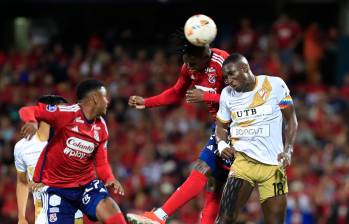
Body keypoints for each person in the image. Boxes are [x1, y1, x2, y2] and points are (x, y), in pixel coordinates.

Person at [127, 33, 230, 224]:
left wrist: (206, 97)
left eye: (192, 62)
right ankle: (160, 217)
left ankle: (160, 216)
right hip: (222, 126)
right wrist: (146, 102)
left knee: (206, 170)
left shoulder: (222, 61)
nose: (189, 67)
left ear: (205, 55)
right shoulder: (188, 67)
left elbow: (244, 97)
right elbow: (176, 93)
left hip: (240, 126)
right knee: (214, 184)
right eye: (186, 62)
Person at [18, 80, 127, 224]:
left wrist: (109, 178)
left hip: (86, 185)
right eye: (104, 97)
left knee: (109, 206)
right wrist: (32, 122)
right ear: (95, 98)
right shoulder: (66, 114)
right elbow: (28, 110)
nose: (107, 101)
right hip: (58, 189)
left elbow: (101, 163)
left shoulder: (101, 127)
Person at [214, 53, 298, 223]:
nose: (228, 80)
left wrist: (288, 150)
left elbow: (291, 121)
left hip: (274, 166)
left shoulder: (275, 85)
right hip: (243, 162)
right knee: (225, 219)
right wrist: (222, 145)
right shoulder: (226, 94)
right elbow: (221, 126)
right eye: (225, 77)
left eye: (231, 74)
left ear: (245, 68)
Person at [14, 95, 85, 224]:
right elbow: (22, 182)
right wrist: (21, 217)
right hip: (43, 217)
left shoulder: (73, 143)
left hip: (73, 216)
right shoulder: (22, 147)